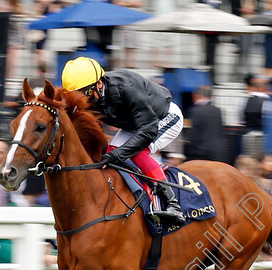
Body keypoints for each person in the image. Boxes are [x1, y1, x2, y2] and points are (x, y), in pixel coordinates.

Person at [61, 57, 186, 225]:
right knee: (111, 152)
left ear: (99, 84)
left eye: (86, 94)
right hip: (135, 123)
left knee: (136, 152)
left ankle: (173, 204)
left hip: (162, 117)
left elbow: (148, 131)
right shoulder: (91, 93)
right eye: (76, 96)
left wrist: (115, 156)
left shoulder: (127, 87)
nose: (83, 101)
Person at [184, 85, 226, 164]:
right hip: (217, 151)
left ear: (196, 95)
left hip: (199, 152)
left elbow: (192, 134)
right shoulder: (217, 110)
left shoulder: (195, 111)